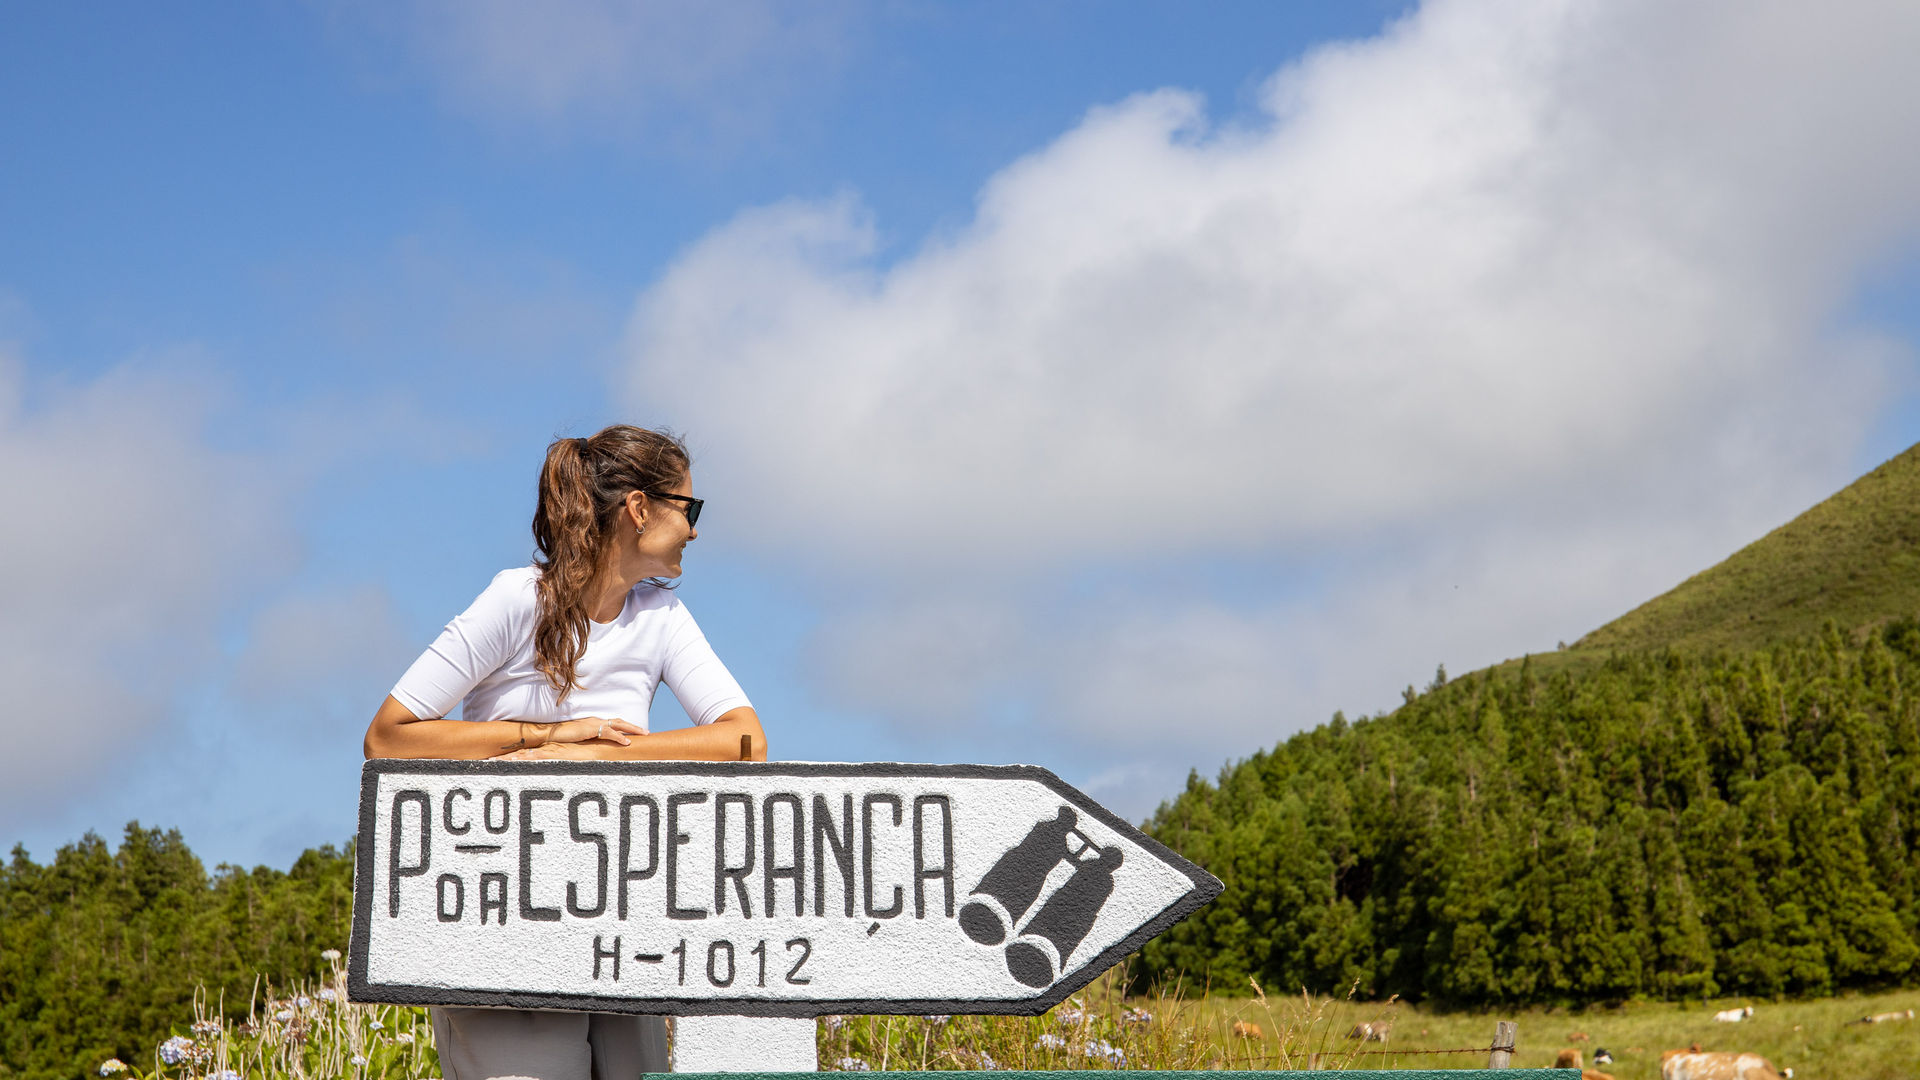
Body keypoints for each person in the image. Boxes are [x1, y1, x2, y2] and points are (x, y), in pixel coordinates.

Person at [363, 424, 766, 1080]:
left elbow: (746, 741)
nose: (694, 530)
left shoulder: (661, 616)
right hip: (502, 925)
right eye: (688, 509)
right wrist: (547, 738)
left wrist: (604, 761)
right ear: (640, 508)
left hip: (618, 926)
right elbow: (389, 734)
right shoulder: (514, 599)